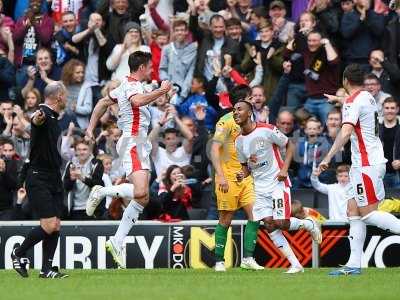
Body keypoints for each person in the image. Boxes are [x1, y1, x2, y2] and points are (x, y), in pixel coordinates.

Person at [84, 51, 172, 268]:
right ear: (141, 67)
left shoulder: (126, 84)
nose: (152, 70)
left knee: (142, 199)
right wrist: (160, 90)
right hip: (134, 141)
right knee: (142, 193)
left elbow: (103, 103)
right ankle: (102, 192)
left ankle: (117, 241)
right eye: (150, 66)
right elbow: (138, 101)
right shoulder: (132, 86)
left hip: (139, 142)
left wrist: (90, 127)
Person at [319, 64, 400, 276]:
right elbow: (356, 106)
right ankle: (354, 265)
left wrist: (328, 156)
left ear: (345, 80)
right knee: (353, 211)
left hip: (367, 165)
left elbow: (345, 132)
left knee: (368, 215)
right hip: (366, 164)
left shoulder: (353, 102)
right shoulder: (367, 96)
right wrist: (339, 100)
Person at [233, 100, 322, 274]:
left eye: (239, 109)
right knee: (269, 224)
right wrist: (242, 174)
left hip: (277, 183)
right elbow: (246, 166)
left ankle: (308, 224)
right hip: (259, 187)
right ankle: (296, 265)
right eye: (234, 110)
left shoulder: (266, 129)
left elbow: (290, 145)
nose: (235, 112)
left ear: (249, 112)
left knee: (281, 223)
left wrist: (284, 169)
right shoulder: (238, 141)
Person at [11, 81, 69, 279]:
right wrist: (35, 117)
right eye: (66, 95)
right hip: (39, 177)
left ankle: (47, 269)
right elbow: (37, 120)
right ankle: (18, 253)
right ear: (59, 96)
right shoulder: (43, 113)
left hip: (53, 177)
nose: (67, 98)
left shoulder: (54, 117)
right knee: (49, 225)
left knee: (56, 225)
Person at [210, 85, 261, 272]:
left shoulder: (250, 119)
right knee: (225, 220)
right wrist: (221, 176)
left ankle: (248, 258)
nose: (254, 99)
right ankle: (219, 262)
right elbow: (214, 149)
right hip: (228, 177)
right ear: (243, 100)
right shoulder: (225, 122)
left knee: (256, 216)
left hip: (245, 176)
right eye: (251, 97)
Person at [63, 139, 104, 220]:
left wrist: (82, 177)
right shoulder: (71, 164)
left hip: (92, 210)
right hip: (74, 210)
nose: (82, 152)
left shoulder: (96, 163)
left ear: (90, 151)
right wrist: (71, 179)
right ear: (75, 151)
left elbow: (98, 185)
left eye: (84, 149)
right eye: (79, 149)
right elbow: (65, 187)